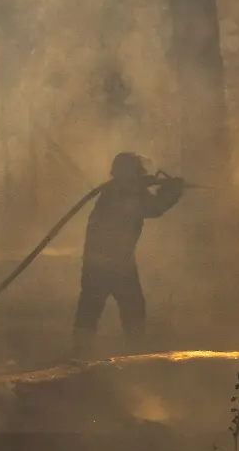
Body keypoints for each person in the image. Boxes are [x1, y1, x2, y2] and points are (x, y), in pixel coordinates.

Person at [72, 152, 185, 357]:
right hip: (116, 263)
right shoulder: (125, 194)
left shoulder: (116, 191)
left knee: (91, 305)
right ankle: (134, 352)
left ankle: (81, 351)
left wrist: (165, 190)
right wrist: (173, 192)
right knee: (131, 305)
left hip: (97, 260)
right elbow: (154, 207)